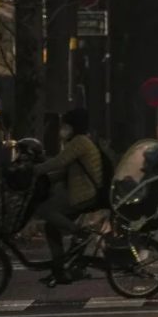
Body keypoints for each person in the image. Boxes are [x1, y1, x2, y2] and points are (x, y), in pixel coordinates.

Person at [33, 108, 103, 285]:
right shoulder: (81, 142)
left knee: (46, 210)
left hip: (84, 194)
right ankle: (59, 270)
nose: (63, 129)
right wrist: (46, 178)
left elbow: (59, 161)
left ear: (74, 126)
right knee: (51, 227)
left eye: (66, 125)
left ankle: (79, 233)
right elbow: (65, 171)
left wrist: (33, 170)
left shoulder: (79, 142)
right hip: (82, 193)